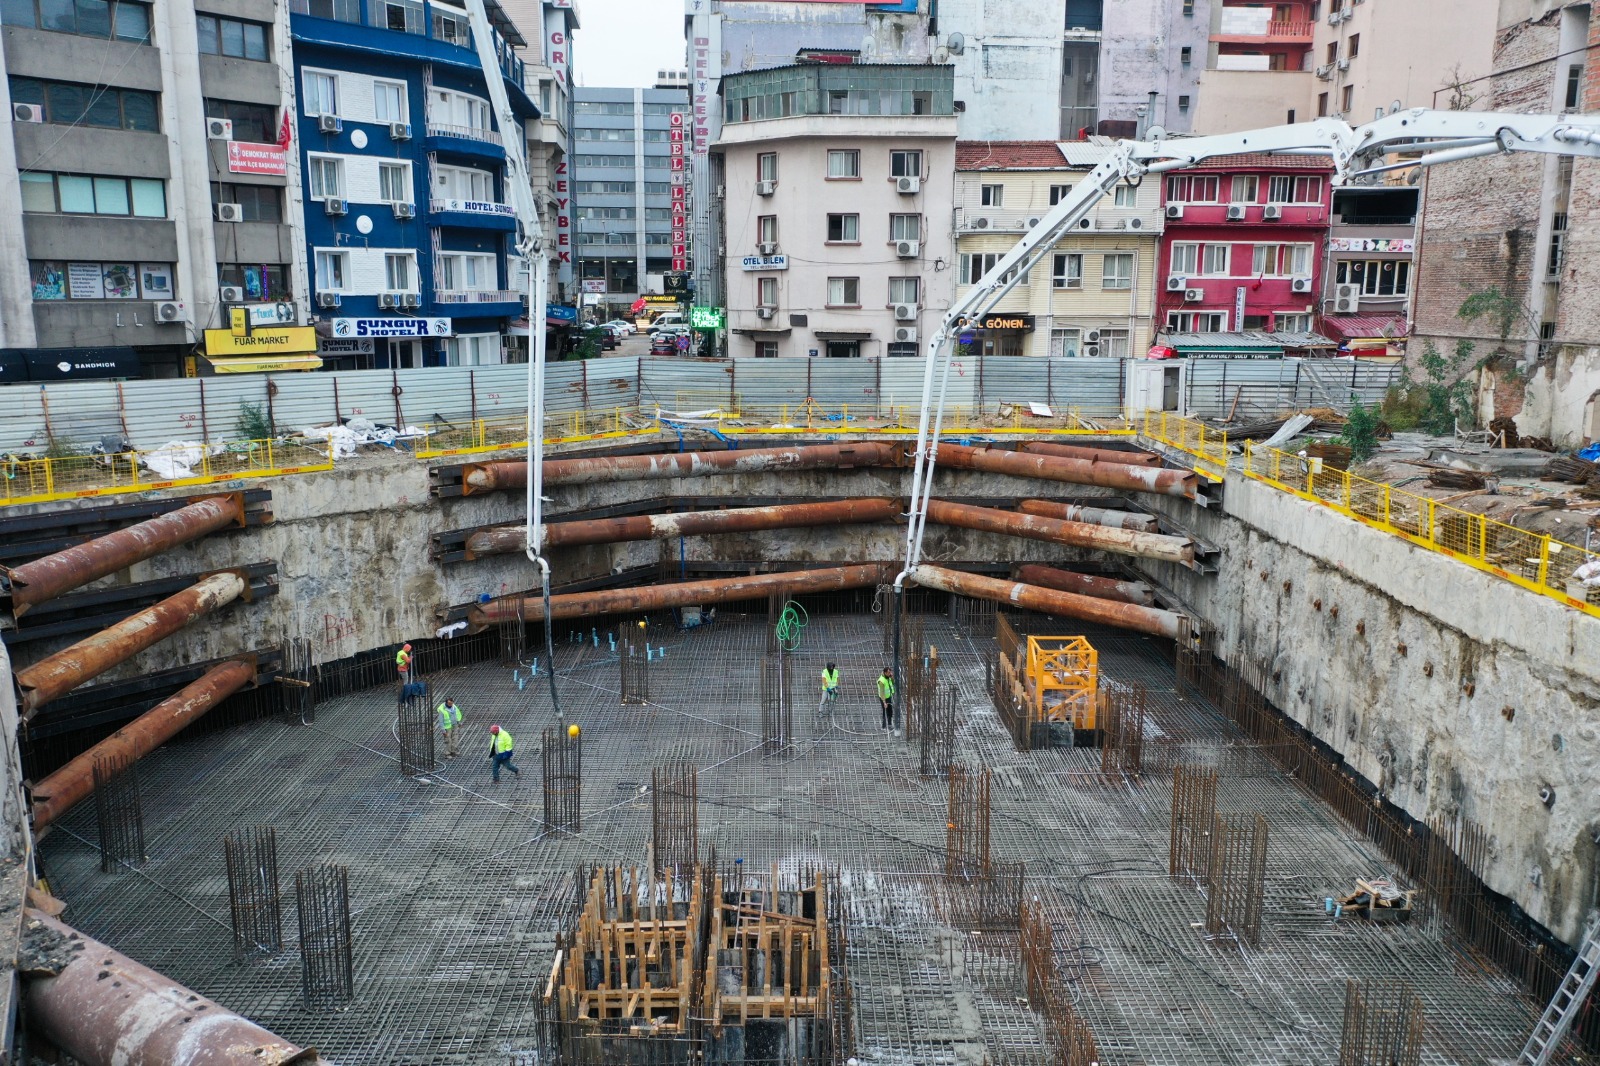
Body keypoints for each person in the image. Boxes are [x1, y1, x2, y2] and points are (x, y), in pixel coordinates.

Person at [877, 668, 896, 732]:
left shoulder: (889, 677)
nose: (889, 673)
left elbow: (893, 683)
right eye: (888, 672)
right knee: (885, 712)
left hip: (889, 697)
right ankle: (883, 726)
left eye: (890, 672)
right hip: (883, 698)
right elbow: (882, 692)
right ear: (885, 673)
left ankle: (890, 724)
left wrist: (892, 677)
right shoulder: (881, 681)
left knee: (890, 711)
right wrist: (884, 702)